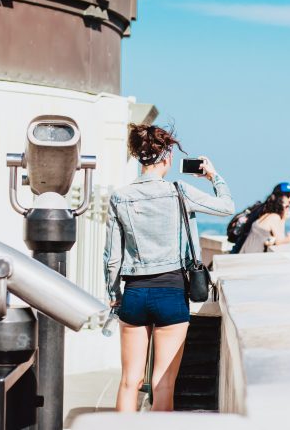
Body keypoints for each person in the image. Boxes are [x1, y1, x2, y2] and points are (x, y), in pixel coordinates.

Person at [103, 123, 234, 412]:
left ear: (139, 157)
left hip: (135, 293)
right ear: (168, 156)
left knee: (129, 382)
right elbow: (227, 207)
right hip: (172, 293)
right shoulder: (180, 191)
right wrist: (213, 176)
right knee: (163, 385)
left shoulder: (120, 196)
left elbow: (112, 257)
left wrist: (114, 294)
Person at [239, 182, 290, 254]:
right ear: (279, 197)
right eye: (288, 196)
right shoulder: (274, 217)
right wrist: (289, 238)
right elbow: (280, 240)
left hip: (245, 255)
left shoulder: (266, 214)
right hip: (251, 259)